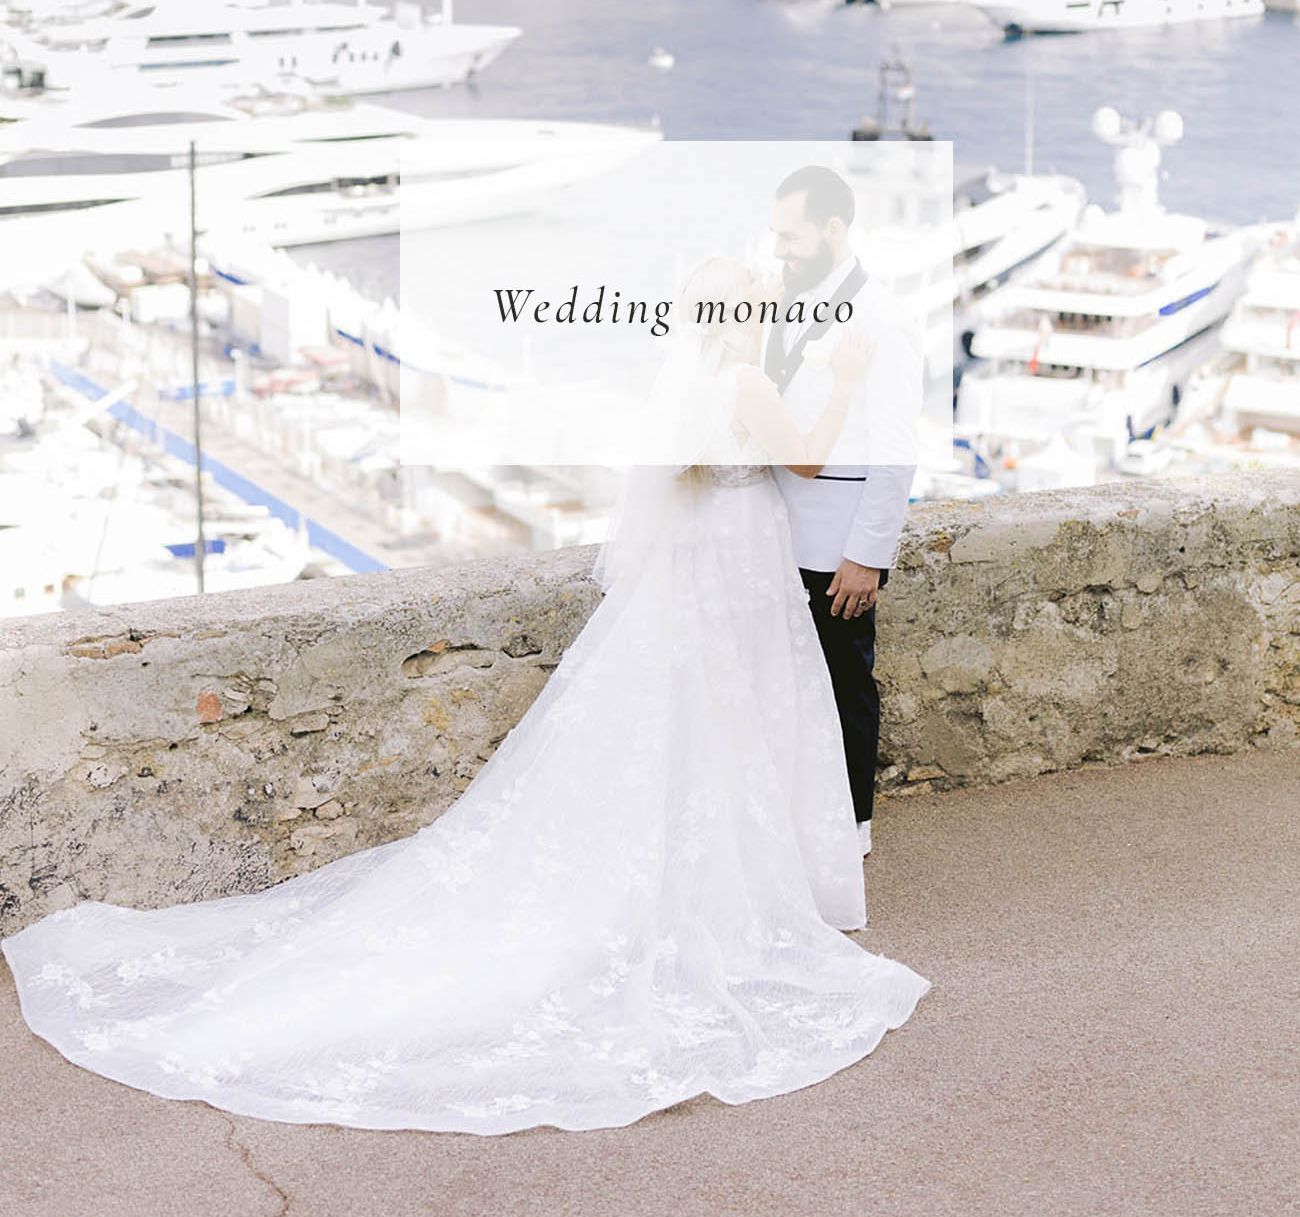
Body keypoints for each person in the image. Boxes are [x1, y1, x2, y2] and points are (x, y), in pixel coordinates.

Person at [2, 257, 928, 1136]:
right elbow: (807, 463)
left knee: (710, 718)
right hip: (742, 564)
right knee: (734, 714)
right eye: (761, 294)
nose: (771, 299)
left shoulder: (705, 384)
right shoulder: (746, 386)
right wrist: (847, 377)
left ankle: (723, 862)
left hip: (709, 561)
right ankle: (746, 878)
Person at [764, 166, 924, 856]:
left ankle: (852, 827)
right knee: (785, 687)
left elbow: (895, 448)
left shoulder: (883, 315)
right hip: (769, 530)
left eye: (790, 235)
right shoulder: (783, 302)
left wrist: (867, 555)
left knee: (843, 687)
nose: (780, 249)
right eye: (775, 235)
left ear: (833, 229)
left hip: (836, 546)